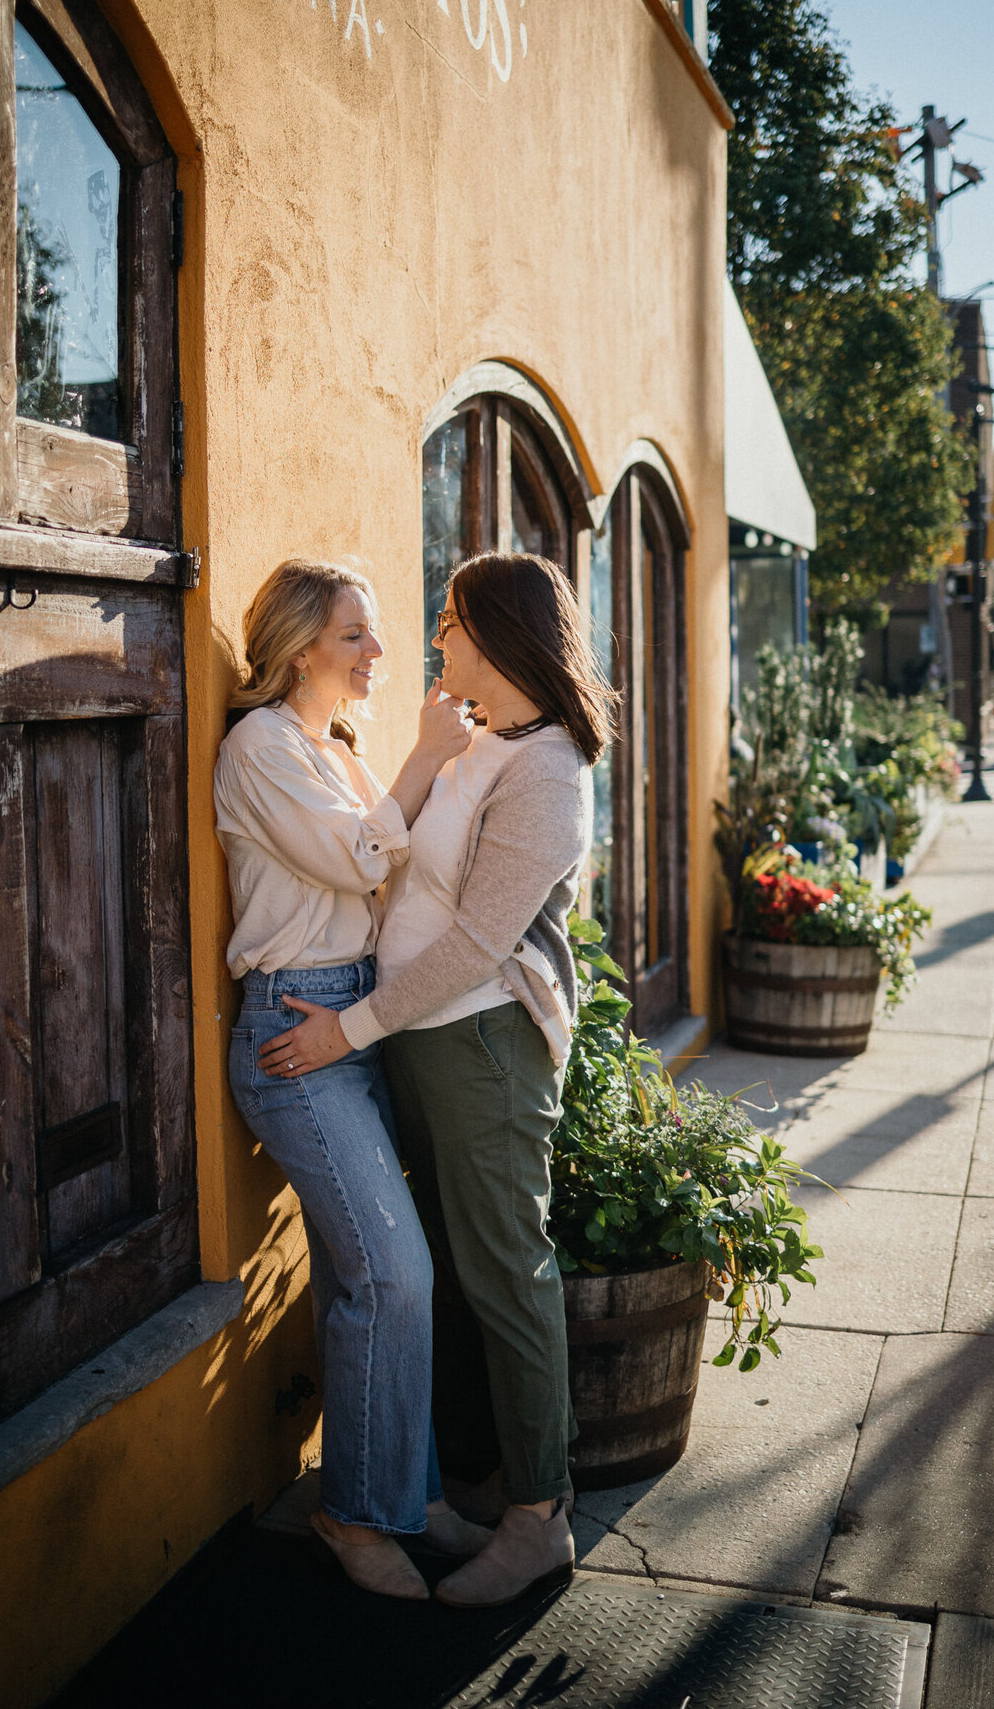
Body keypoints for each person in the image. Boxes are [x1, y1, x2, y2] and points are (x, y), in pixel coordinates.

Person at [263, 551, 615, 1608]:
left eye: (450, 622)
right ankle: (465, 1480)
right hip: (419, 1044)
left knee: (508, 1272)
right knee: (451, 1276)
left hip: (483, 1047)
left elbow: (473, 942)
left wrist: (346, 1032)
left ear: (502, 636)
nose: (435, 640)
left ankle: (539, 1517)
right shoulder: (478, 741)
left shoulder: (549, 767)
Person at [214, 557, 490, 1602]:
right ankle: (352, 1516)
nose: (380, 652)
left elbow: (401, 865)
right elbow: (365, 863)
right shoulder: (261, 749)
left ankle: (405, 1495)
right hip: (295, 1033)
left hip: (354, 1020)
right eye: (354, 636)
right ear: (297, 650)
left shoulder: (332, 751)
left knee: (356, 1280)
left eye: (373, 634)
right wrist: (422, 761)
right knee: (397, 1275)